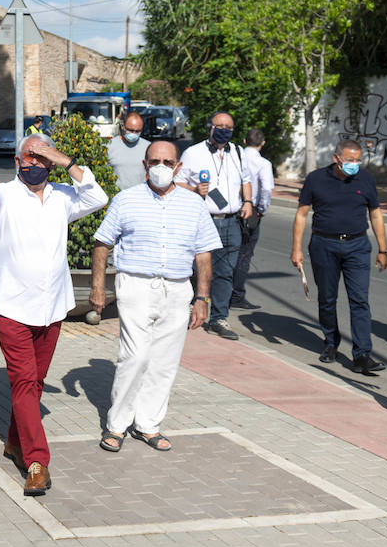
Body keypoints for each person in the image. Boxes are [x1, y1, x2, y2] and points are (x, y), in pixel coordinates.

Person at [0, 134, 106, 496]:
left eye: (40, 157)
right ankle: (37, 462)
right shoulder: (4, 194)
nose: (32, 164)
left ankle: (15, 443)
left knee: (32, 386)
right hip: (13, 308)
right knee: (24, 384)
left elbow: (98, 197)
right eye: (26, 158)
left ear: (50, 162)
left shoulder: (64, 197)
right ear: (17, 162)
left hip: (52, 307)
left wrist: (65, 160)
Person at [90, 140, 221, 452]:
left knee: (164, 361)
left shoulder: (194, 205)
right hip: (135, 285)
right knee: (134, 357)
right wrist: (97, 287)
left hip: (177, 289)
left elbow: (203, 254)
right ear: (145, 165)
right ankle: (117, 425)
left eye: (167, 161)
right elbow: (102, 243)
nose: (161, 167)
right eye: (154, 161)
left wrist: (202, 298)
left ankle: (148, 425)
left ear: (177, 167)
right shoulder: (126, 200)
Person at [290, 138, 387, 375]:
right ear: (336, 158)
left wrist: (383, 249)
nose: (355, 164)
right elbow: (302, 215)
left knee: (359, 300)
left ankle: (362, 354)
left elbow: (375, 214)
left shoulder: (366, 180)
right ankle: (331, 343)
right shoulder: (316, 179)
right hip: (324, 245)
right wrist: (296, 249)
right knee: (327, 297)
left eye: (358, 160)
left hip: (357, 245)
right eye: (350, 160)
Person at [177, 111, 254, 340]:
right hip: (203, 218)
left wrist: (248, 201)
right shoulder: (193, 153)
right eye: (219, 125)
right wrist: (194, 190)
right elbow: (176, 182)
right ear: (210, 127)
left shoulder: (238, 152)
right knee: (194, 268)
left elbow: (246, 180)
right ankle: (189, 309)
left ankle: (219, 318)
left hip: (231, 220)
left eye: (228, 127)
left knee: (226, 271)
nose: (223, 130)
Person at [230, 128, 275, 310]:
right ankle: (237, 295)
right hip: (251, 210)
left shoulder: (234, 157)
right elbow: (266, 188)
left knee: (227, 251)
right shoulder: (264, 164)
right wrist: (262, 209)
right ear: (263, 143)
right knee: (244, 254)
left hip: (231, 208)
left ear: (244, 140)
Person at [107, 110, 147, 188]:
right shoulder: (109, 146)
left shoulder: (148, 147)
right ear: (122, 126)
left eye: (138, 131)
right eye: (131, 130)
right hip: (117, 197)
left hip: (140, 197)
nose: (134, 134)